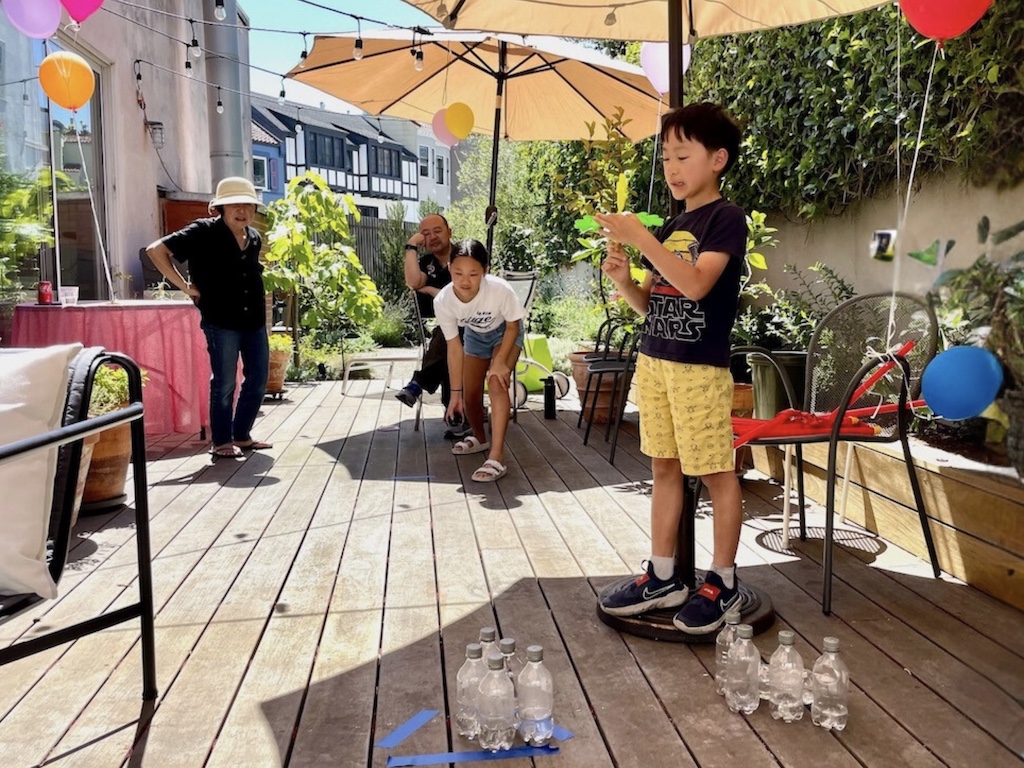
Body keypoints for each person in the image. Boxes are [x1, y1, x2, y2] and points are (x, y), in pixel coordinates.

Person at [594, 102, 747, 634]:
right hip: (656, 361)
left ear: (718, 159)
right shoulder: (679, 223)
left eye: (683, 155)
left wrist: (643, 240)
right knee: (663, 465)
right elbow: (654, 302)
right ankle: (663, 575)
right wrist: (624, 280)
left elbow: (698, 284)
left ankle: (723, 581)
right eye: (665, 158)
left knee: (715, 472)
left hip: (699, 369)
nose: (672, 167)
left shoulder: (725, 219)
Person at [146, 177, 273, 460]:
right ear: (221, 208)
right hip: (220, 319)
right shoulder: (202, 231)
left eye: (247, 205)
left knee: (258, 379)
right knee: (225, 381)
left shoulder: (253, 237)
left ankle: (242, 434)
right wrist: (185, 287)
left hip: (253, 320)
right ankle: (222, 441)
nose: (242, 210)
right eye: (234, 205)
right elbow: (156, 250)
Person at [434, 239, 525, 483]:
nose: (465, 281)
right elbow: (454, 347)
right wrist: (454, 395)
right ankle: (479, 438)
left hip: (505, 333)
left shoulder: (500, 289)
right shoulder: (443, 301)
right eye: (458, 273)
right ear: (449, 267)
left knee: (496, 382)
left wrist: (500, 362)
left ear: (485, 270)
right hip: (475, 336)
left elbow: (513, 326)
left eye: (474, 274)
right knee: (470, 395)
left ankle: (496, 456)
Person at [395, 214, 470, 438]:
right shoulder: (427, 264)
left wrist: (432, 291)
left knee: (450, 333)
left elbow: (464, 299)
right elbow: (412, 282)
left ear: (450, 232)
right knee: (450, 337)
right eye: (425, 234)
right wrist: (411, 246)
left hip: (479, 324)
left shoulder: (465, 255)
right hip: (453, 332)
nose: (432, 237)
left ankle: (419, 383)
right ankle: (457, 417)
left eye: (437, 230)